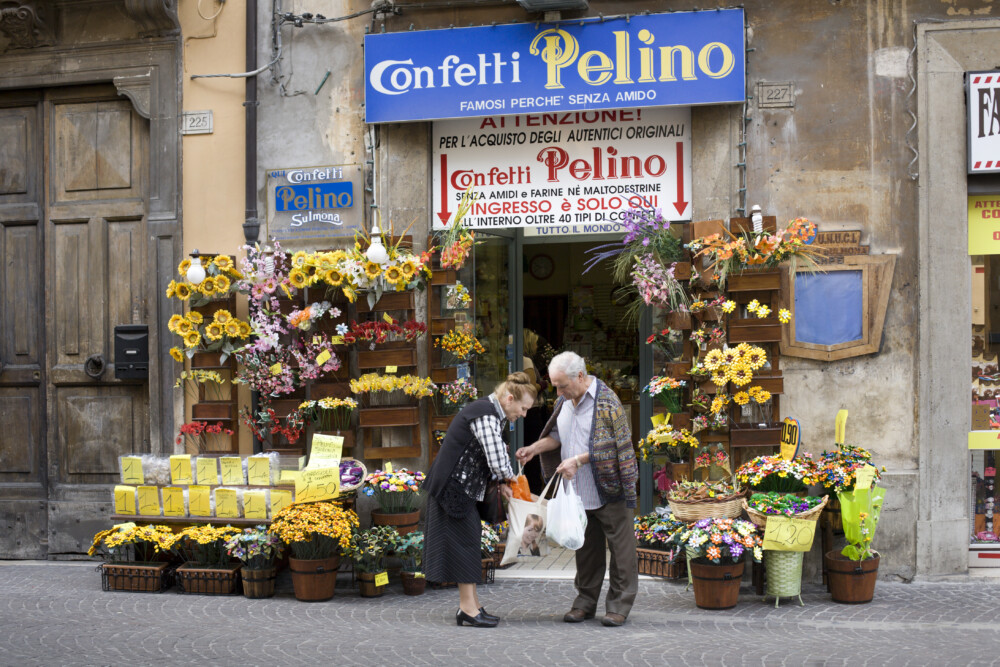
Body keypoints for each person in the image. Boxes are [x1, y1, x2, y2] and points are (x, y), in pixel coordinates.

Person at [516, 351, 639, 627]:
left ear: (580, 376)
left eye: (561, 385)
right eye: (555, 385)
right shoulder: (565, 401)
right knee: (586, 550)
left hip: (610, 488)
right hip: (579, 491)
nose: (557, 391)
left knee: (621, 551)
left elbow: (615, 446)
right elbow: (558, 436)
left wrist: (578, 460)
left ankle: (619, 605)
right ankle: (585, 602)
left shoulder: (607, 402)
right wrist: (533, 449)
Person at [424, 372, 537, 628]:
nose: (524, 414)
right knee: (465, 545)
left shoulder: (491, 413)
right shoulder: (485, 413)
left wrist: (502, 483)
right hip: (453, 490)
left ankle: (473, 606)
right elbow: (497, 459)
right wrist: (510, 481)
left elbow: (489, 461)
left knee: (470, 543)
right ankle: (467, 609)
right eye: (523, 408)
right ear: (509, 398)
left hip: (461, 489)